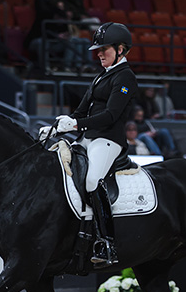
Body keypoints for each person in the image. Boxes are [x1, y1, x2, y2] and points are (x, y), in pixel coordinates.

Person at [38, 22, 136, 268]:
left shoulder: (125, 77)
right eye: (98, 50)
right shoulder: (101, 76)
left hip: (108, 139)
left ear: (120, 49)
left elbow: (111, 115)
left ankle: (107, 243)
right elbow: (80, 111)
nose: (99, 54)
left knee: (92, 180)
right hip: (87, 138)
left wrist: (75, 124)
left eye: (104, 49)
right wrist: (56, 128)